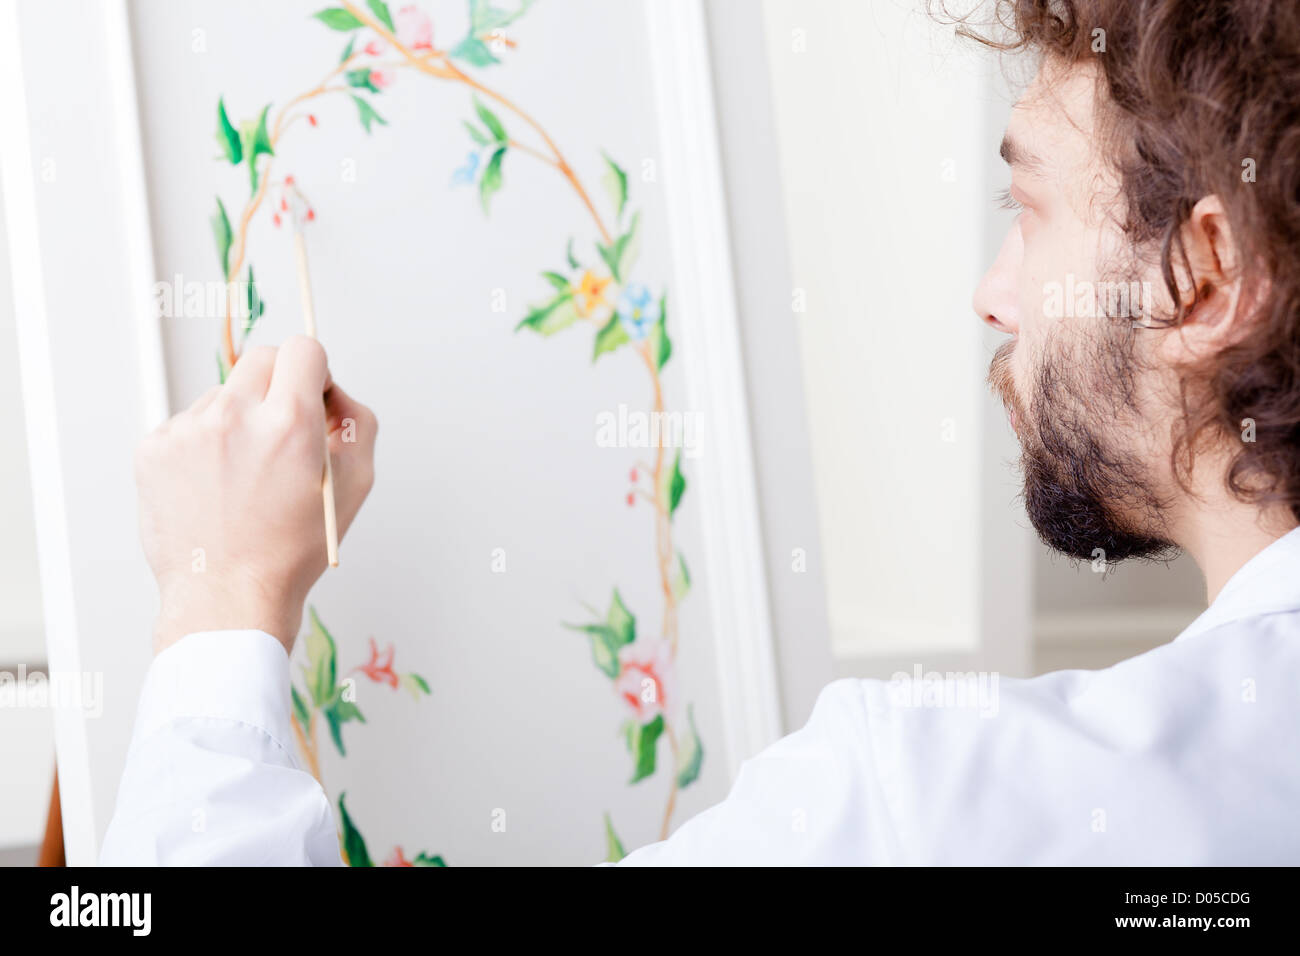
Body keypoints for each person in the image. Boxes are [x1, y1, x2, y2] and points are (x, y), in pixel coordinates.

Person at [101, 0, 1300, 864]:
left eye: (1026, 210)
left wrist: (218, 602)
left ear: (1200, 277)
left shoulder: (930, 805)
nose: (993, 293)